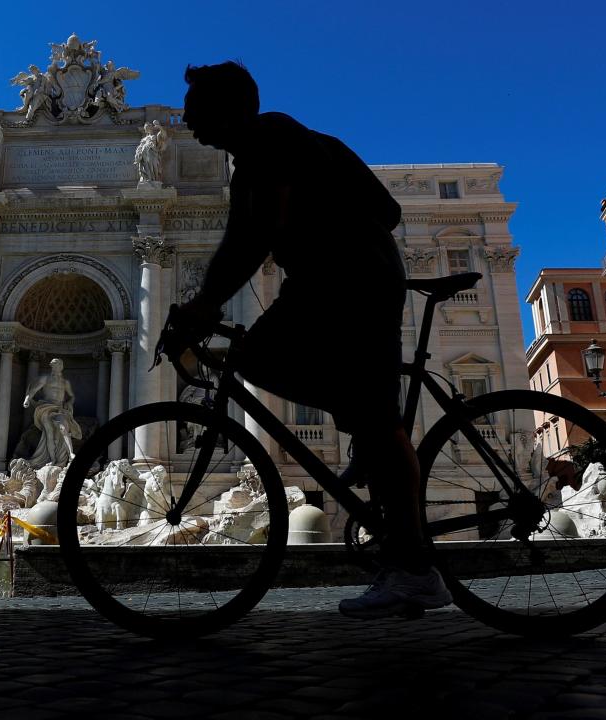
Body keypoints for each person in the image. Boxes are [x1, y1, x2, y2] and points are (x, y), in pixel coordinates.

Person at [176, 61, 451, 619]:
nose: (186, 122)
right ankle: (365, 429)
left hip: (345, 279)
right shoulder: (292, 145)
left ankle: (415, 571)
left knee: (269, 362)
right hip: (341, 277)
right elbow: (388, 209)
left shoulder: (271, 140)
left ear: (225, 110)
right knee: (342, 398)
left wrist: (203, 307)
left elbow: (251, 239)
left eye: (194, 111)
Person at [22, 358, 82, 467]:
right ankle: (53, 459)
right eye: (54, 365)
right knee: (49, 433)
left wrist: (69, 403)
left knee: (63, 427)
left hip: (59, 407)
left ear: (61, 367)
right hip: (46, 407)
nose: (56, 367)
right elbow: (33, 390)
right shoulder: (45, 379)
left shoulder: (65, 382)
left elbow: (72, 396)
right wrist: (27, 399)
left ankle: (71, 454)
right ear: (51, 366)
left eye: (58, 365)